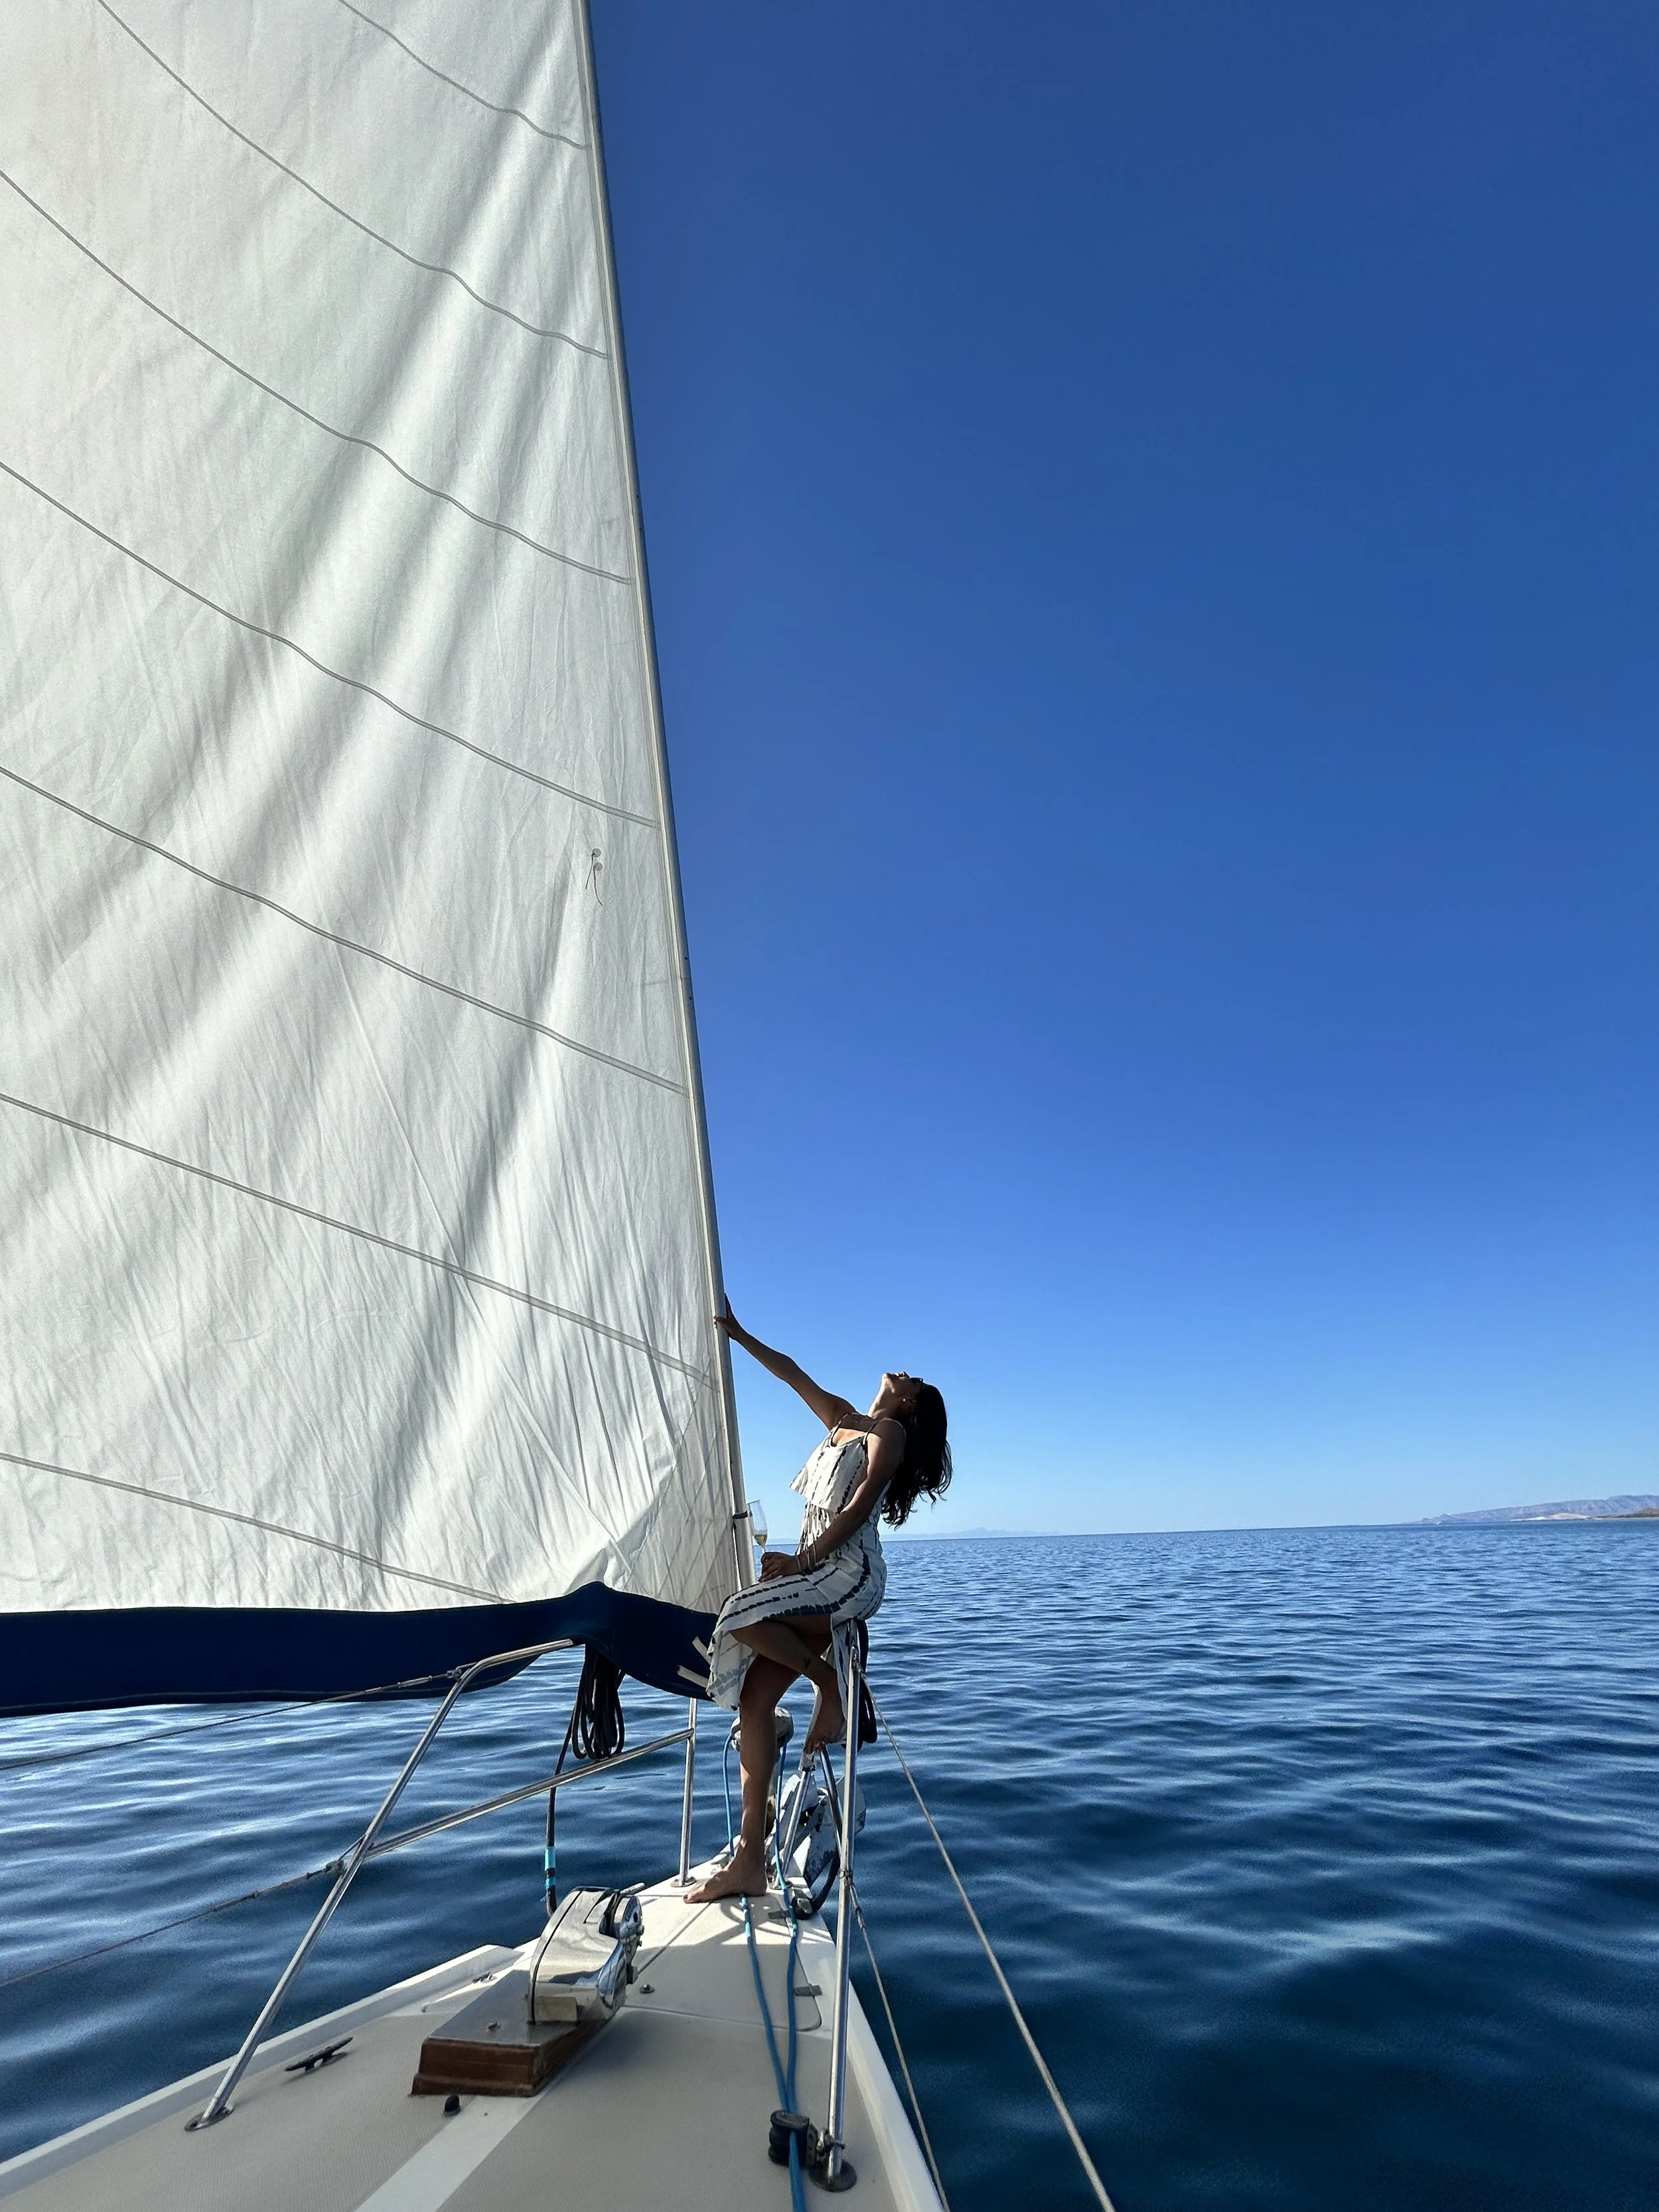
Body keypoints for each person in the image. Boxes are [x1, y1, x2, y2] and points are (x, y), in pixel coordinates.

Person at [686, 1303, 951, 1904]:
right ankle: (750, 1860)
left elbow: (857, 1509)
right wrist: (740, 1332)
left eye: (910, 1380)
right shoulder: (845, 1420)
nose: (900, 1372)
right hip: (815, 1572)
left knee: (741, 1612)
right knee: (753, 1702)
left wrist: (801, 1563)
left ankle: (827, 1681)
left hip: (847, 1574)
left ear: (909, 1404)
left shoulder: (892, 1432)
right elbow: (792, 1373)